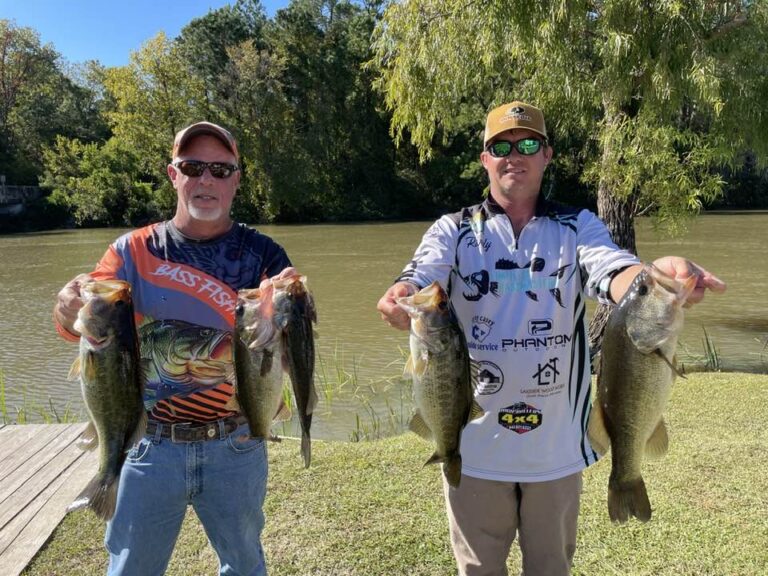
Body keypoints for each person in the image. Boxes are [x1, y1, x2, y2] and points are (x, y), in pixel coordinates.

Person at [376, 101, 726, 576]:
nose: (514, 155)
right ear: (484, 159)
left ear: (546, 155)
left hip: (555, 451)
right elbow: (422, 274)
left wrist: (653, 280)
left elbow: (612, 270)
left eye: (527, 144)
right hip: (474, 449)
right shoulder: (453, 230)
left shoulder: (577, 226)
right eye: (501, 146)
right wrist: (402, 293)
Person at [54, 121, 295, 576]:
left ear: (236, 180)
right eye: (192, 167)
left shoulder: (264, 255)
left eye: (220, 170)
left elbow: (289, 333)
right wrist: (67, 308)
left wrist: (292, 305)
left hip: (236, 445)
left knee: (245, 565)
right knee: (133, 569)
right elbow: (82, 325)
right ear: (173, 175)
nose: (206, 180)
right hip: (147, 446)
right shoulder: (130, 251)